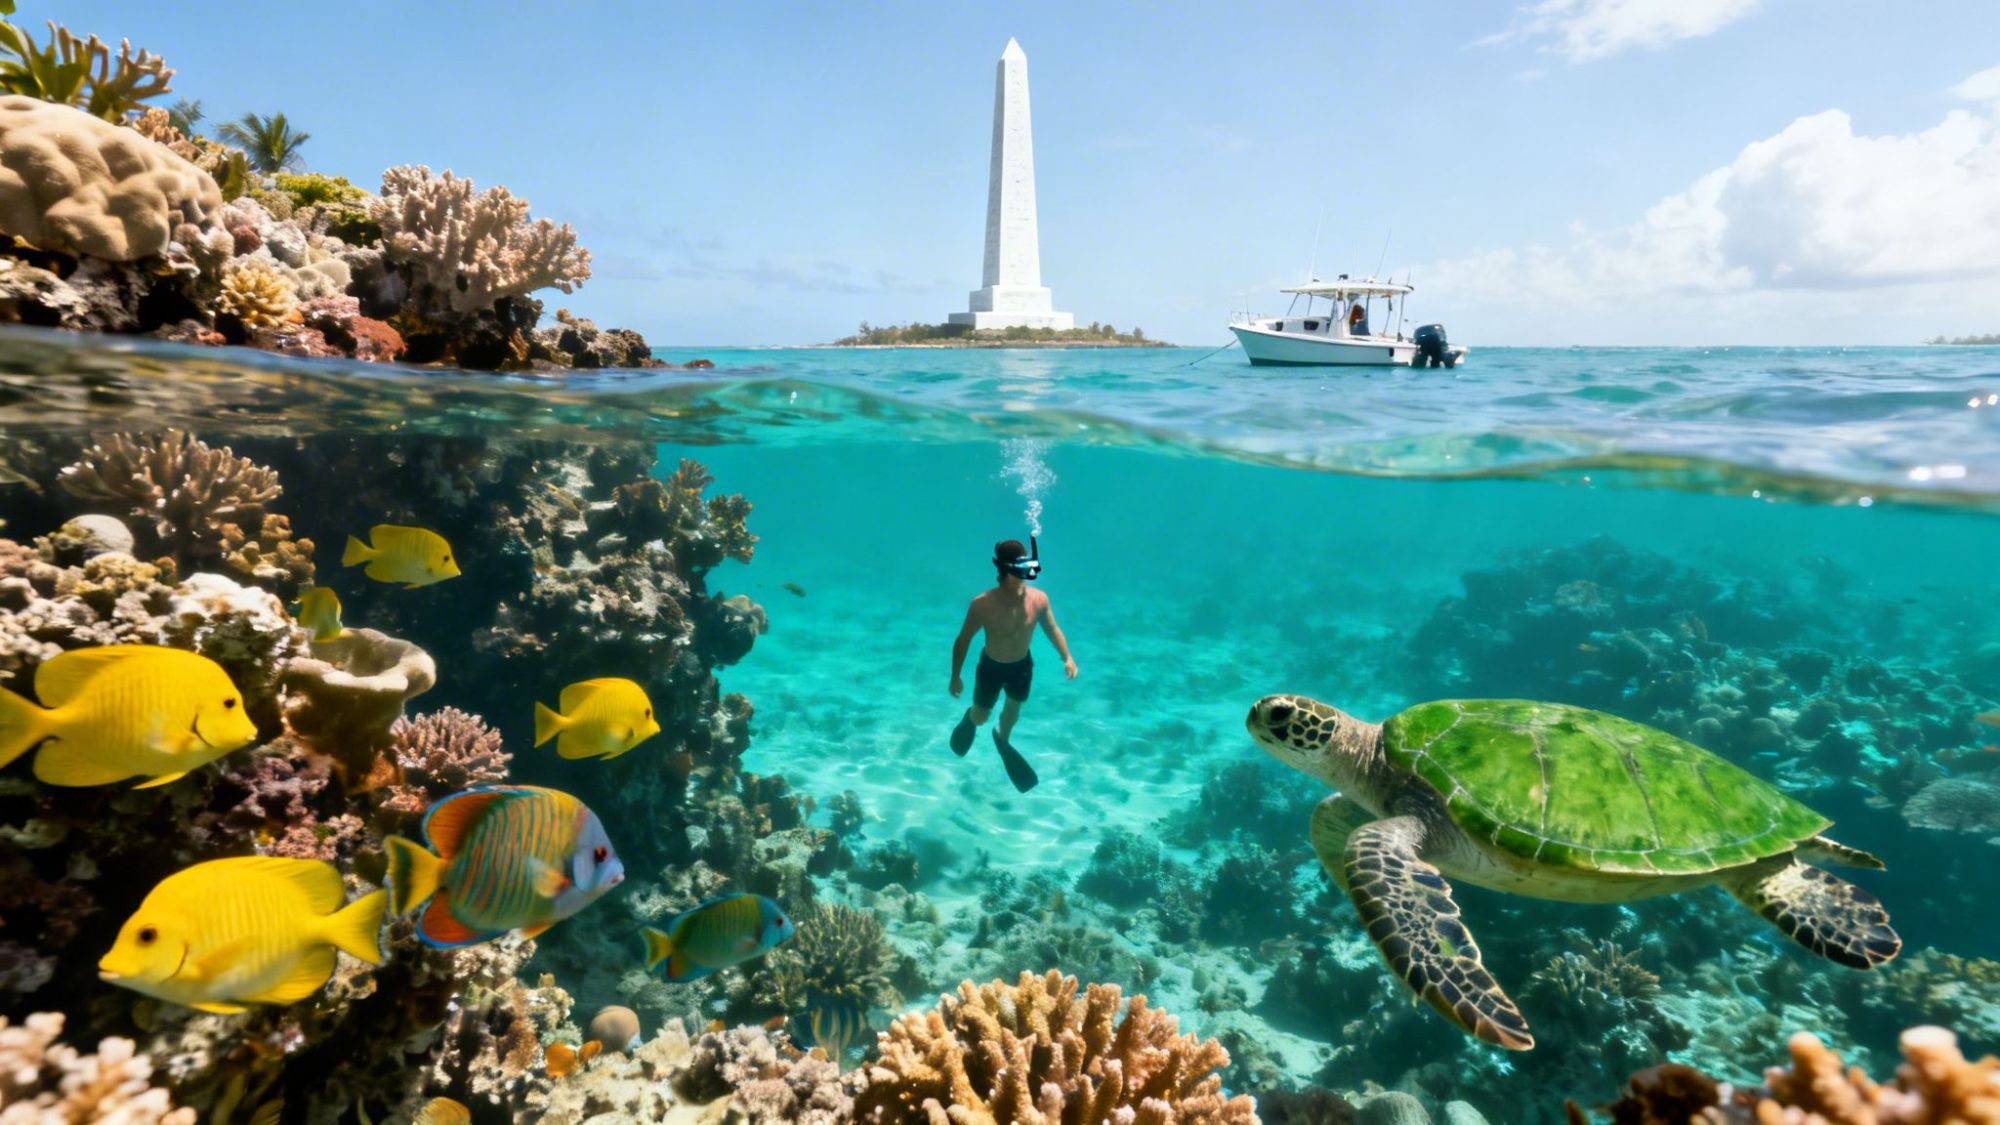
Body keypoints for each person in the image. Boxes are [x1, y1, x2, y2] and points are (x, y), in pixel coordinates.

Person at [947, 538, 1077, 793]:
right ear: (1006, 568)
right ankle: (972, 716)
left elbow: (1052, 628)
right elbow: (963, 640)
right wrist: (955, 676)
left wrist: (1067, 657)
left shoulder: (1039, 599)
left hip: (1021, 668)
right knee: (981, 716)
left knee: (1012, 713)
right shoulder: (982, 604)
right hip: (991, 667)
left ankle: (1002, 738)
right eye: (1021, 565)